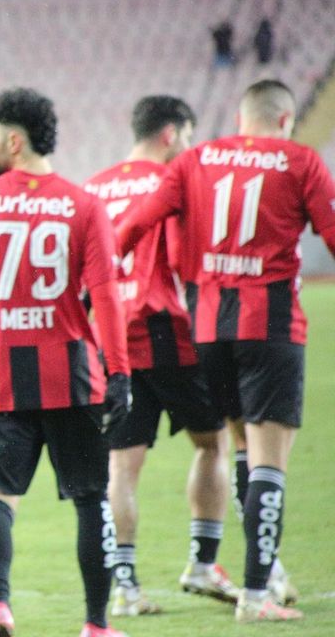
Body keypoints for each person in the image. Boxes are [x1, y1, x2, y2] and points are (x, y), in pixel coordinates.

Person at [117, 79, 335, 623]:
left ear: (241, 119)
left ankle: (259, 579)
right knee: (268, 461)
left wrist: (92, 283)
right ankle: (258, 593)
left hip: (209, 329)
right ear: (284, 120)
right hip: (272, 326)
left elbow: (135, 224)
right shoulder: (301, 161)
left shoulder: (195, 160)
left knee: (239, 445)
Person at [0, 88, 133, 637]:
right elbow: (108, 296)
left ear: (14, 141)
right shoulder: (84, 205)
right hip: (72, 376)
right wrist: (119, 372)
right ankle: (96, 624)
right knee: (91, 501)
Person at [83, 96, 239, 617]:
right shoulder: (174, 181)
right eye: (187, 136)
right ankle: (203, 561)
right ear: (171, 134)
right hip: (167, 330)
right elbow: (180, 258)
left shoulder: (95, 186)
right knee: (214, 442)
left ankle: (126, 587)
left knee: (122, 465)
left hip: (111, 337)